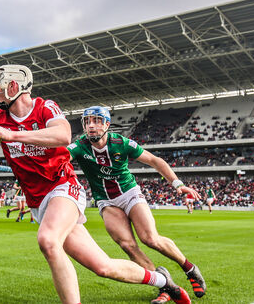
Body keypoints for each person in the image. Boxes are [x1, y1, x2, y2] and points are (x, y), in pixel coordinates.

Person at [0, 64, 191, 304]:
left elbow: (62, 135)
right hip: (38, 202)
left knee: (48, 240)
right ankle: (163, 280)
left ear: (13, 86)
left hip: (62, 187)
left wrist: (13, 134)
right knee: (102, 266)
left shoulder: (45, 107)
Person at [68, 106, 206, 303]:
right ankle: (166, 285)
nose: (91, 126)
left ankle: (190, 268)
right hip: (106, 200)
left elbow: (154, 161)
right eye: (87, 121)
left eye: (97, 121)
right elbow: (60, 158)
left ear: (107, 124)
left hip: (129, 193)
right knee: (128, 245)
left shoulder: (121, 143)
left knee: (150, 238)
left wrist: (178, 184)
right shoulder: (79, 146)